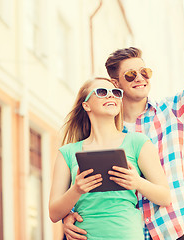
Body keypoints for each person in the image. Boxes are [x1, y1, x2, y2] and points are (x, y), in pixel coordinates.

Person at [62, 16, 184, 240]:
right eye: (130, 74)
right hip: (130, 233)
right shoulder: (103, 127)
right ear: (115, 84)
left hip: (172, 230)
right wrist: (69, 214)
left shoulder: (172, 112)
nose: (140, 78)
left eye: (145, 72)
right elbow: (80, 181)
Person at [49, 78, 171, 240]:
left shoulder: (137, 142)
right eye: (101, 92)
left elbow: (165, 197)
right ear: (86, 105)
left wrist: (137, 182)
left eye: (115, 93)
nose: (111, 96)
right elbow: (54, 213)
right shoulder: (67, 153)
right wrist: (76, 190)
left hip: (126, 234)